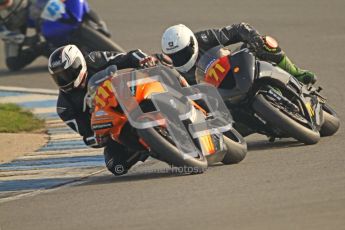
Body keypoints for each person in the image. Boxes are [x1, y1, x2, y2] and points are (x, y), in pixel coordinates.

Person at [48, 44, 158, 176]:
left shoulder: (95, 59)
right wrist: (97, 138)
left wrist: (142, 59)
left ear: (78, 64)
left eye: (66, 73)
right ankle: (151, 147)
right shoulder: (64, 107)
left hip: (128, 98)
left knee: (152, 76)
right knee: (116, 165)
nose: (63, 80)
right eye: (59, 77)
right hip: (112, 127)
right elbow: (86, 134)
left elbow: (126, 57)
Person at [161, 23, 316, 85]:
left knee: (265, 43)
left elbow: (238, 29)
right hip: (220, 103)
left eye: (183, 52)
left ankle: (296, 73)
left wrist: (254, 39)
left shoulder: (204, 37)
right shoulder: (172, 70)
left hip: (235, 69)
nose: (180, 58)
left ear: (192, 43)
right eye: (175, 56)